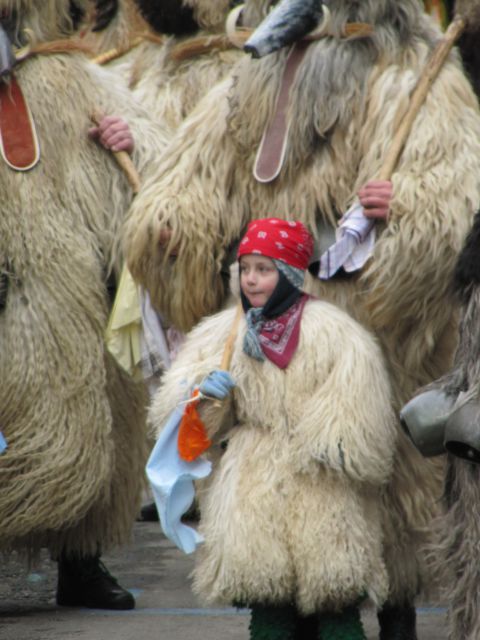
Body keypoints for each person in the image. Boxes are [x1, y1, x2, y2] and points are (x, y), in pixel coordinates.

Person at [149, 217, 397, 640]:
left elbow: (358, 405)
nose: (251, 279)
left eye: (263, 269)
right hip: (254, 482)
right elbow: (187, 427)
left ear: (288, 273)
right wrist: (204, 397)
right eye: (245, 269)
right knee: (269, 604)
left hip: (322, 484)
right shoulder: (220, 334)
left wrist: (318, 446)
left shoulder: (335, 333)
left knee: (336, 599)